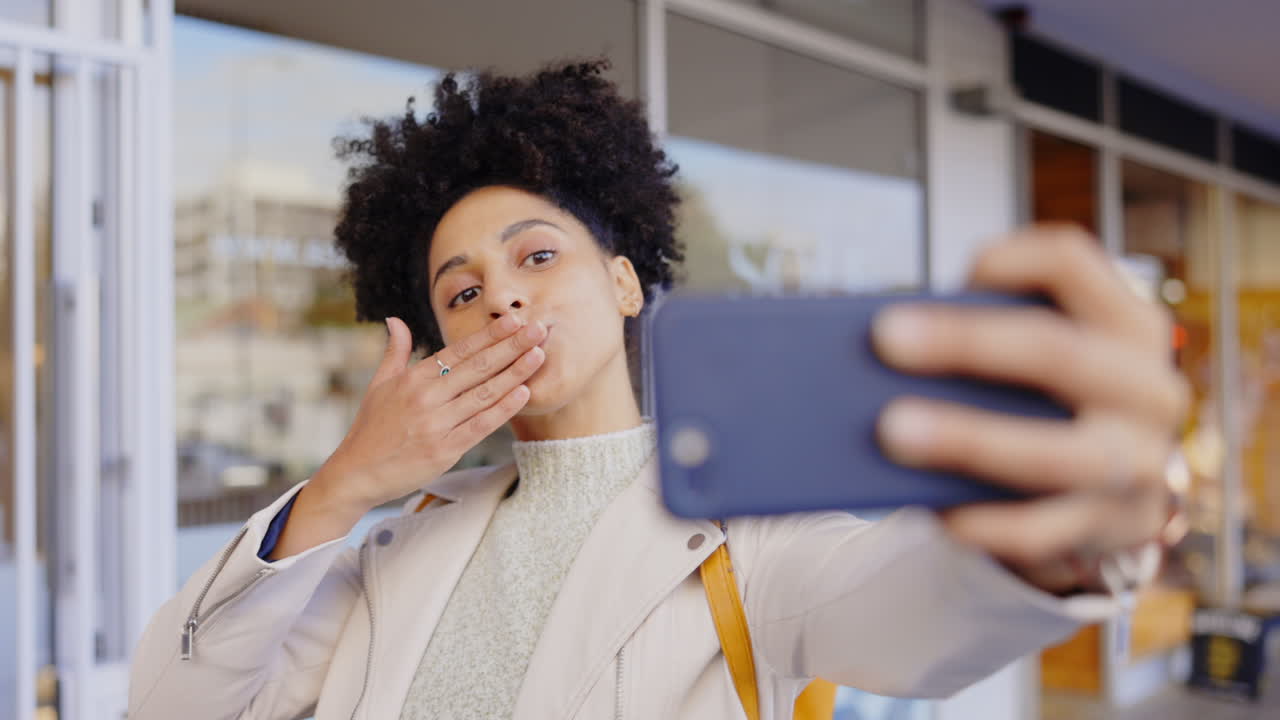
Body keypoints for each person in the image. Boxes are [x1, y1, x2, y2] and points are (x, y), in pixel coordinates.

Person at [127, 59, 1188, 720]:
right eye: (461, 290)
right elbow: (174, 710)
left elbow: (921, 615)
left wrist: (1047, 534)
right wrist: (344, 487)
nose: (499, 301)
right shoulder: (389, 544)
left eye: (536, 258)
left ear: (626, 280)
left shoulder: (745, 537)